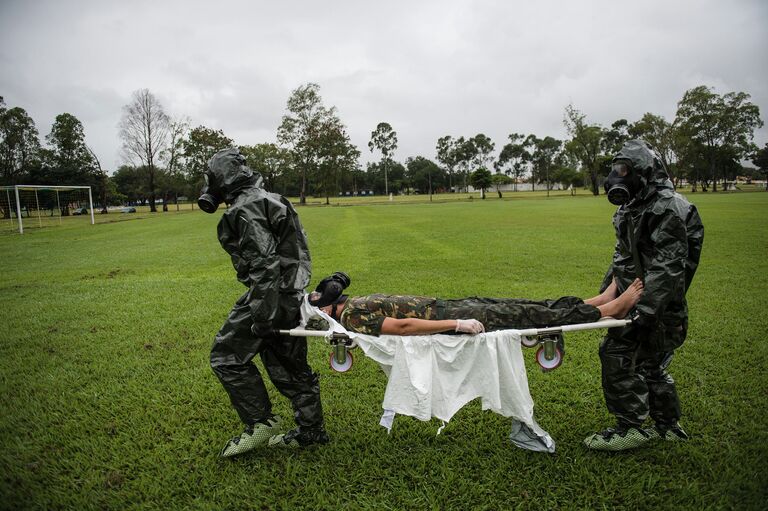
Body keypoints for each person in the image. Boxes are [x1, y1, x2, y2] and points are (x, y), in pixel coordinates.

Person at [199, 148, 327, 456]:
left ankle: (260, 422)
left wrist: (263, 316)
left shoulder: (246, 207)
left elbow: (264, 264)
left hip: (270, 295)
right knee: (289, 366)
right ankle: (311, 430)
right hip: (290, 294)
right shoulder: (271, 198)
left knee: (226, 356)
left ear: (221, 178)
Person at [583, 139, 704, 451]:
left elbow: (669, 266)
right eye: (615, 170)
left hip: (660, 307)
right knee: (650, 364)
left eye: (624, 170)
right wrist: (607, 300)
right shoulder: (630, 209)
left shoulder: (669, 208)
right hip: (640, 301)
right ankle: (668, 425)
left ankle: (630, 427)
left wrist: (643, 312)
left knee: (616, 354)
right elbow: (621, 260)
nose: (616, 177)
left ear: (644, 172)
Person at [308, 272, 644, 336]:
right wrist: (456, 324)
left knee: (522, 304)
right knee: (524, 316)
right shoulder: (351, 318)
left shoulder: (350, 305)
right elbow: (403, 327)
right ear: (323, 312)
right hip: (448, 316)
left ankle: (591, 302)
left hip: (446, 304)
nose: (327, 294)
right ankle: (606, 311)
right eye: (320, 299)